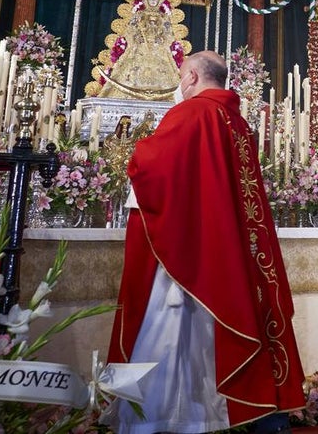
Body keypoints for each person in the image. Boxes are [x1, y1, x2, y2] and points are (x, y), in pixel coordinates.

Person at [106, 51, 305, 433]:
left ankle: (165, 421)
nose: (181, 84)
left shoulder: (191, 114)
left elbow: (151, 167)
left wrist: (132, 155)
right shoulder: (237, 122)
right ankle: (219, 416)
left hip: (190, 258)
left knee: (171, 337)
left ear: (193, 76)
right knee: (211, 340)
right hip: (229, 252)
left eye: (182, 76)